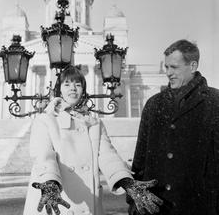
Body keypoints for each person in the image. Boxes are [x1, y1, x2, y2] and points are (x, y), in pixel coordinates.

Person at [23, 65, 163, 215]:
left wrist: (126, 181)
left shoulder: (94, 123)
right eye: (67, 84)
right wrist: (50, 183)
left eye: (78, 85)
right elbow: (43, 155)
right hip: (56, 200)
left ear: (83, 90)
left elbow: (108, 155)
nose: (73, 89)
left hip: (88, 205)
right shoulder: (46, 120)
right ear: (59, 90)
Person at [128, 39, 219, 215]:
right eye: (166, 67)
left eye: (174, 67)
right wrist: (133, 201)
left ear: (192, 66)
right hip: (157, 208)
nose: (168, 73)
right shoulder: (154, 104)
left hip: (200, 207)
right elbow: (139, 161)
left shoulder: (214, 103)